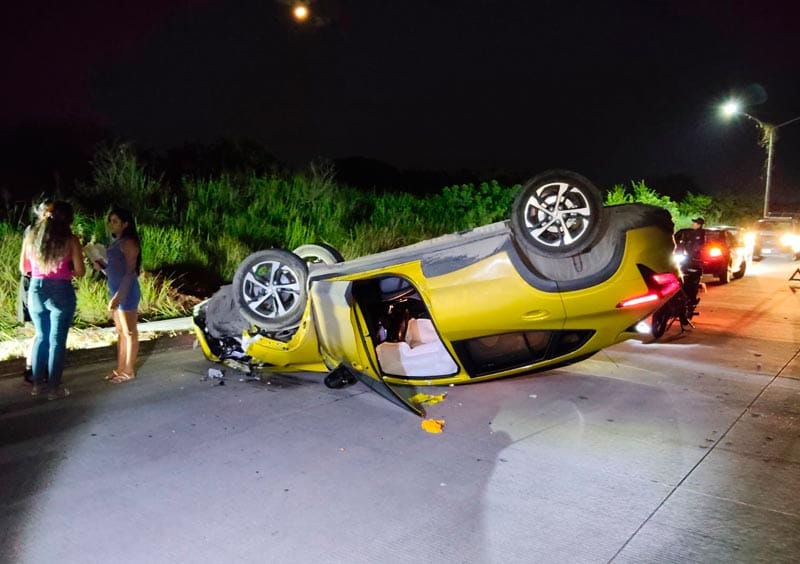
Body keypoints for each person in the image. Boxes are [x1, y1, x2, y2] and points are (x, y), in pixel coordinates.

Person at [20, 200, 85, 400]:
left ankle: (37, 385)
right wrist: (66, 270)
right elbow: (81, 271)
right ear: (69, 220)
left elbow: (24, 269)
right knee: (57, 341)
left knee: (41, 337)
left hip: (36, 290)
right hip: (61, 291)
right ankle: (54, 389)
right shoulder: (71, 240)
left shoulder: (31, 236)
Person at [95, 205, 141, 384]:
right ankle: (120, 367)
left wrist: (119, 296)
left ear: (125, 224)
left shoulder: (129, 242)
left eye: (115, 221)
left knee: (130, 332)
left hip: (126, 292)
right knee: (121, 332)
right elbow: (115, 270)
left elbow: (131, 272)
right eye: (110, 221)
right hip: (115, 290)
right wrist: (102, 267)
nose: (111, 224)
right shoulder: (116, 243)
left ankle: (129, 370)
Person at [18, 199, 54, 382]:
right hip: (34, 283)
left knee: (42, 330)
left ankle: (35, 367)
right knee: (40, 331)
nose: (50, 216)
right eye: (48, 212)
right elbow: (25, 267)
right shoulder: (33, 232)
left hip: (35, 283)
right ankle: (33, 368)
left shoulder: (36, 232)